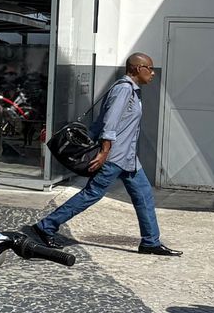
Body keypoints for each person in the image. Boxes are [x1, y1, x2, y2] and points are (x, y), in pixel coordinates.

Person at [26, 52, 179, 256]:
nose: (152, 73)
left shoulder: (133, 91)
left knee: (144, 196)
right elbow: (109, 123)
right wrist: (104, 152)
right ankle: (45, 227)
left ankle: (150, 242)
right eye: (149, 68)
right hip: (114, 157)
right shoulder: (123, 90)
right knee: (92, 194)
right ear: (137, 69)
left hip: (128, 158)